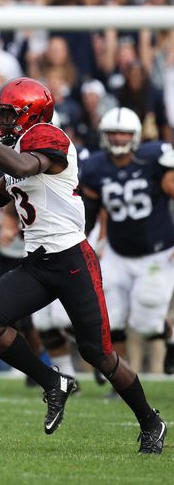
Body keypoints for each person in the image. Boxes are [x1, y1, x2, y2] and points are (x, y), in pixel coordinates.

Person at [0, 77, 167, 454]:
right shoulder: (16, 148)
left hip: (73, 259)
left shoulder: (48, 137)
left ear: (30, 114)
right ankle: (53, 382)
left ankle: (150, 421)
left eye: (8, 114)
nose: (2, 122)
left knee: (99, 353)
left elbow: (23, 167)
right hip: (39, 261)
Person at [79, 107, 174, 376]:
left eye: (124, 133)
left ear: (136, 136)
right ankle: (119, 377)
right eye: (113, 133)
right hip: (117, 253)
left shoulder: (154, 158)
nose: (119, 139)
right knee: (112, 319)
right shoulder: (95, 167)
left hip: (157, 252)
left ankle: (170, 338)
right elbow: (90, 213)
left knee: (146, 325)